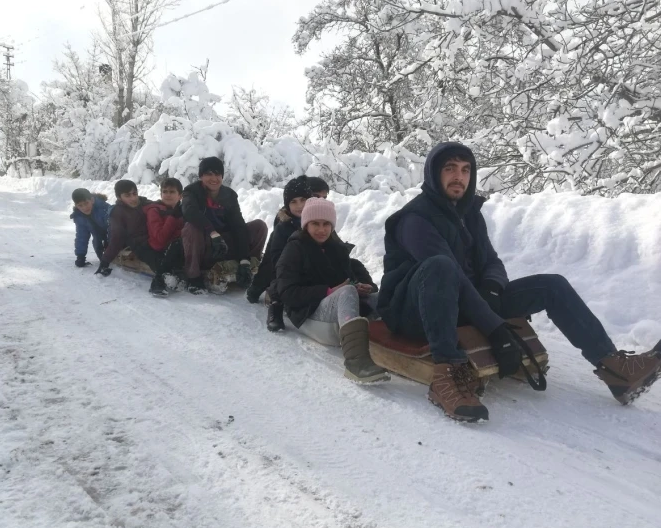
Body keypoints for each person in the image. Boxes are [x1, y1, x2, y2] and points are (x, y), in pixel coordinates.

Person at [378, 141, 661, 422]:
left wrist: (492, 287)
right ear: (433, 174)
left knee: (552, 285)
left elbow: (492, 262)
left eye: (465, 170)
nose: (458, 177)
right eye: (450, 169)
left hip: (466, 301)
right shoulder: (415, 218)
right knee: (440, 266)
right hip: (418, 309)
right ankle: (446, 375)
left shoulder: (470, 214)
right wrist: (496, 330)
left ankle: (614, 368)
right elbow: (450, 276)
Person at [275, 198, 389, 384]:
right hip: (308, 315)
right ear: (306, 225)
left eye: (326, 224)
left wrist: (357, 286)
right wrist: (329, 292)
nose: (321, 229)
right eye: (315, 224)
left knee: (382, 297)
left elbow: (345, 281)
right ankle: (356, 362)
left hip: (337, 312)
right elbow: (287, 293)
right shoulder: (294, 249)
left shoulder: (336, 249)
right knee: (346, 293)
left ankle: (404, 343)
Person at [181, 156, 268, 294]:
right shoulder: (192, 192)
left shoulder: (229, 195)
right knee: (190, 228)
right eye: (209, 174)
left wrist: (244, 259)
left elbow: (238, 226)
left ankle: (247, 267)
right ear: (201, 176)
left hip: (224, 246)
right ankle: (193, 277)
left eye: (217, 174)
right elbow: (189, 212)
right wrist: (212, 233)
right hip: (204, 246)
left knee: (259, 226)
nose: (214, 178)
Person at [247, 176, 326, 305]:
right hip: (290, 272)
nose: (299, 206)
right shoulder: (284, 226)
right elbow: (273, 260)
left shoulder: (320, 220)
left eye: (303, 200)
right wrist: (256, 288)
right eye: (293, 202)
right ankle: (275, 298)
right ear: (287, 205)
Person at [95, 179, 167, 297]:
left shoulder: (145, 203)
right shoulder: (117, 212)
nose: (133, 198)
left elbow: (160, 207)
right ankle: (161, 281)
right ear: (119, 197)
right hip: (138, 243)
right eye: (127, 195)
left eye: (135, 194)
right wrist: (105, 261)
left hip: (155, 237)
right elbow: (116, 238)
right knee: (153, 257)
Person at [141, 178, 186, 296]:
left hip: (181, 249)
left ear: (180, 195)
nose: (167, 195)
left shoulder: (184, 210)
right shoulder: (154, 211)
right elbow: (159, 239)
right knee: (178, 243)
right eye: (165, 192)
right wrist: (173, 217)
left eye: (172, 192)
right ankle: (158, 281)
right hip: (160, 250)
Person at [70, 188, 111, 267]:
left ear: (92, 200)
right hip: (99, 239)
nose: (84, 208)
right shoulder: (79, 217)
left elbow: (115, 227)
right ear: (76, 206)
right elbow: (82, 236)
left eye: (86, 203)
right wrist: (80, 256)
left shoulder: (103, 208)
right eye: (80, 205)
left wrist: (111, 244)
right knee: (97, 244)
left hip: (116, 236)